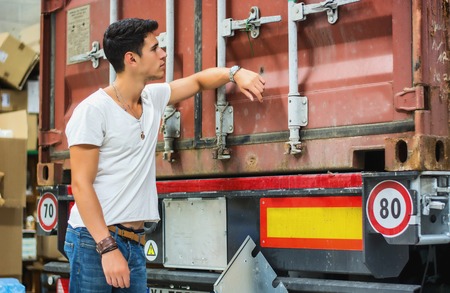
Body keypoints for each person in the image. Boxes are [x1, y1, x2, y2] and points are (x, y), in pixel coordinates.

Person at [64, 17, 265, 292]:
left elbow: (198, 81)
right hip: (94, 241)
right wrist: (107, 248)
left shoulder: (151, 98)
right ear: (131, 59)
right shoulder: (93, 111)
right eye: (155, 48)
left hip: (132, 241)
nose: (163, 54)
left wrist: (235, 73)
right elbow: (81, 185)